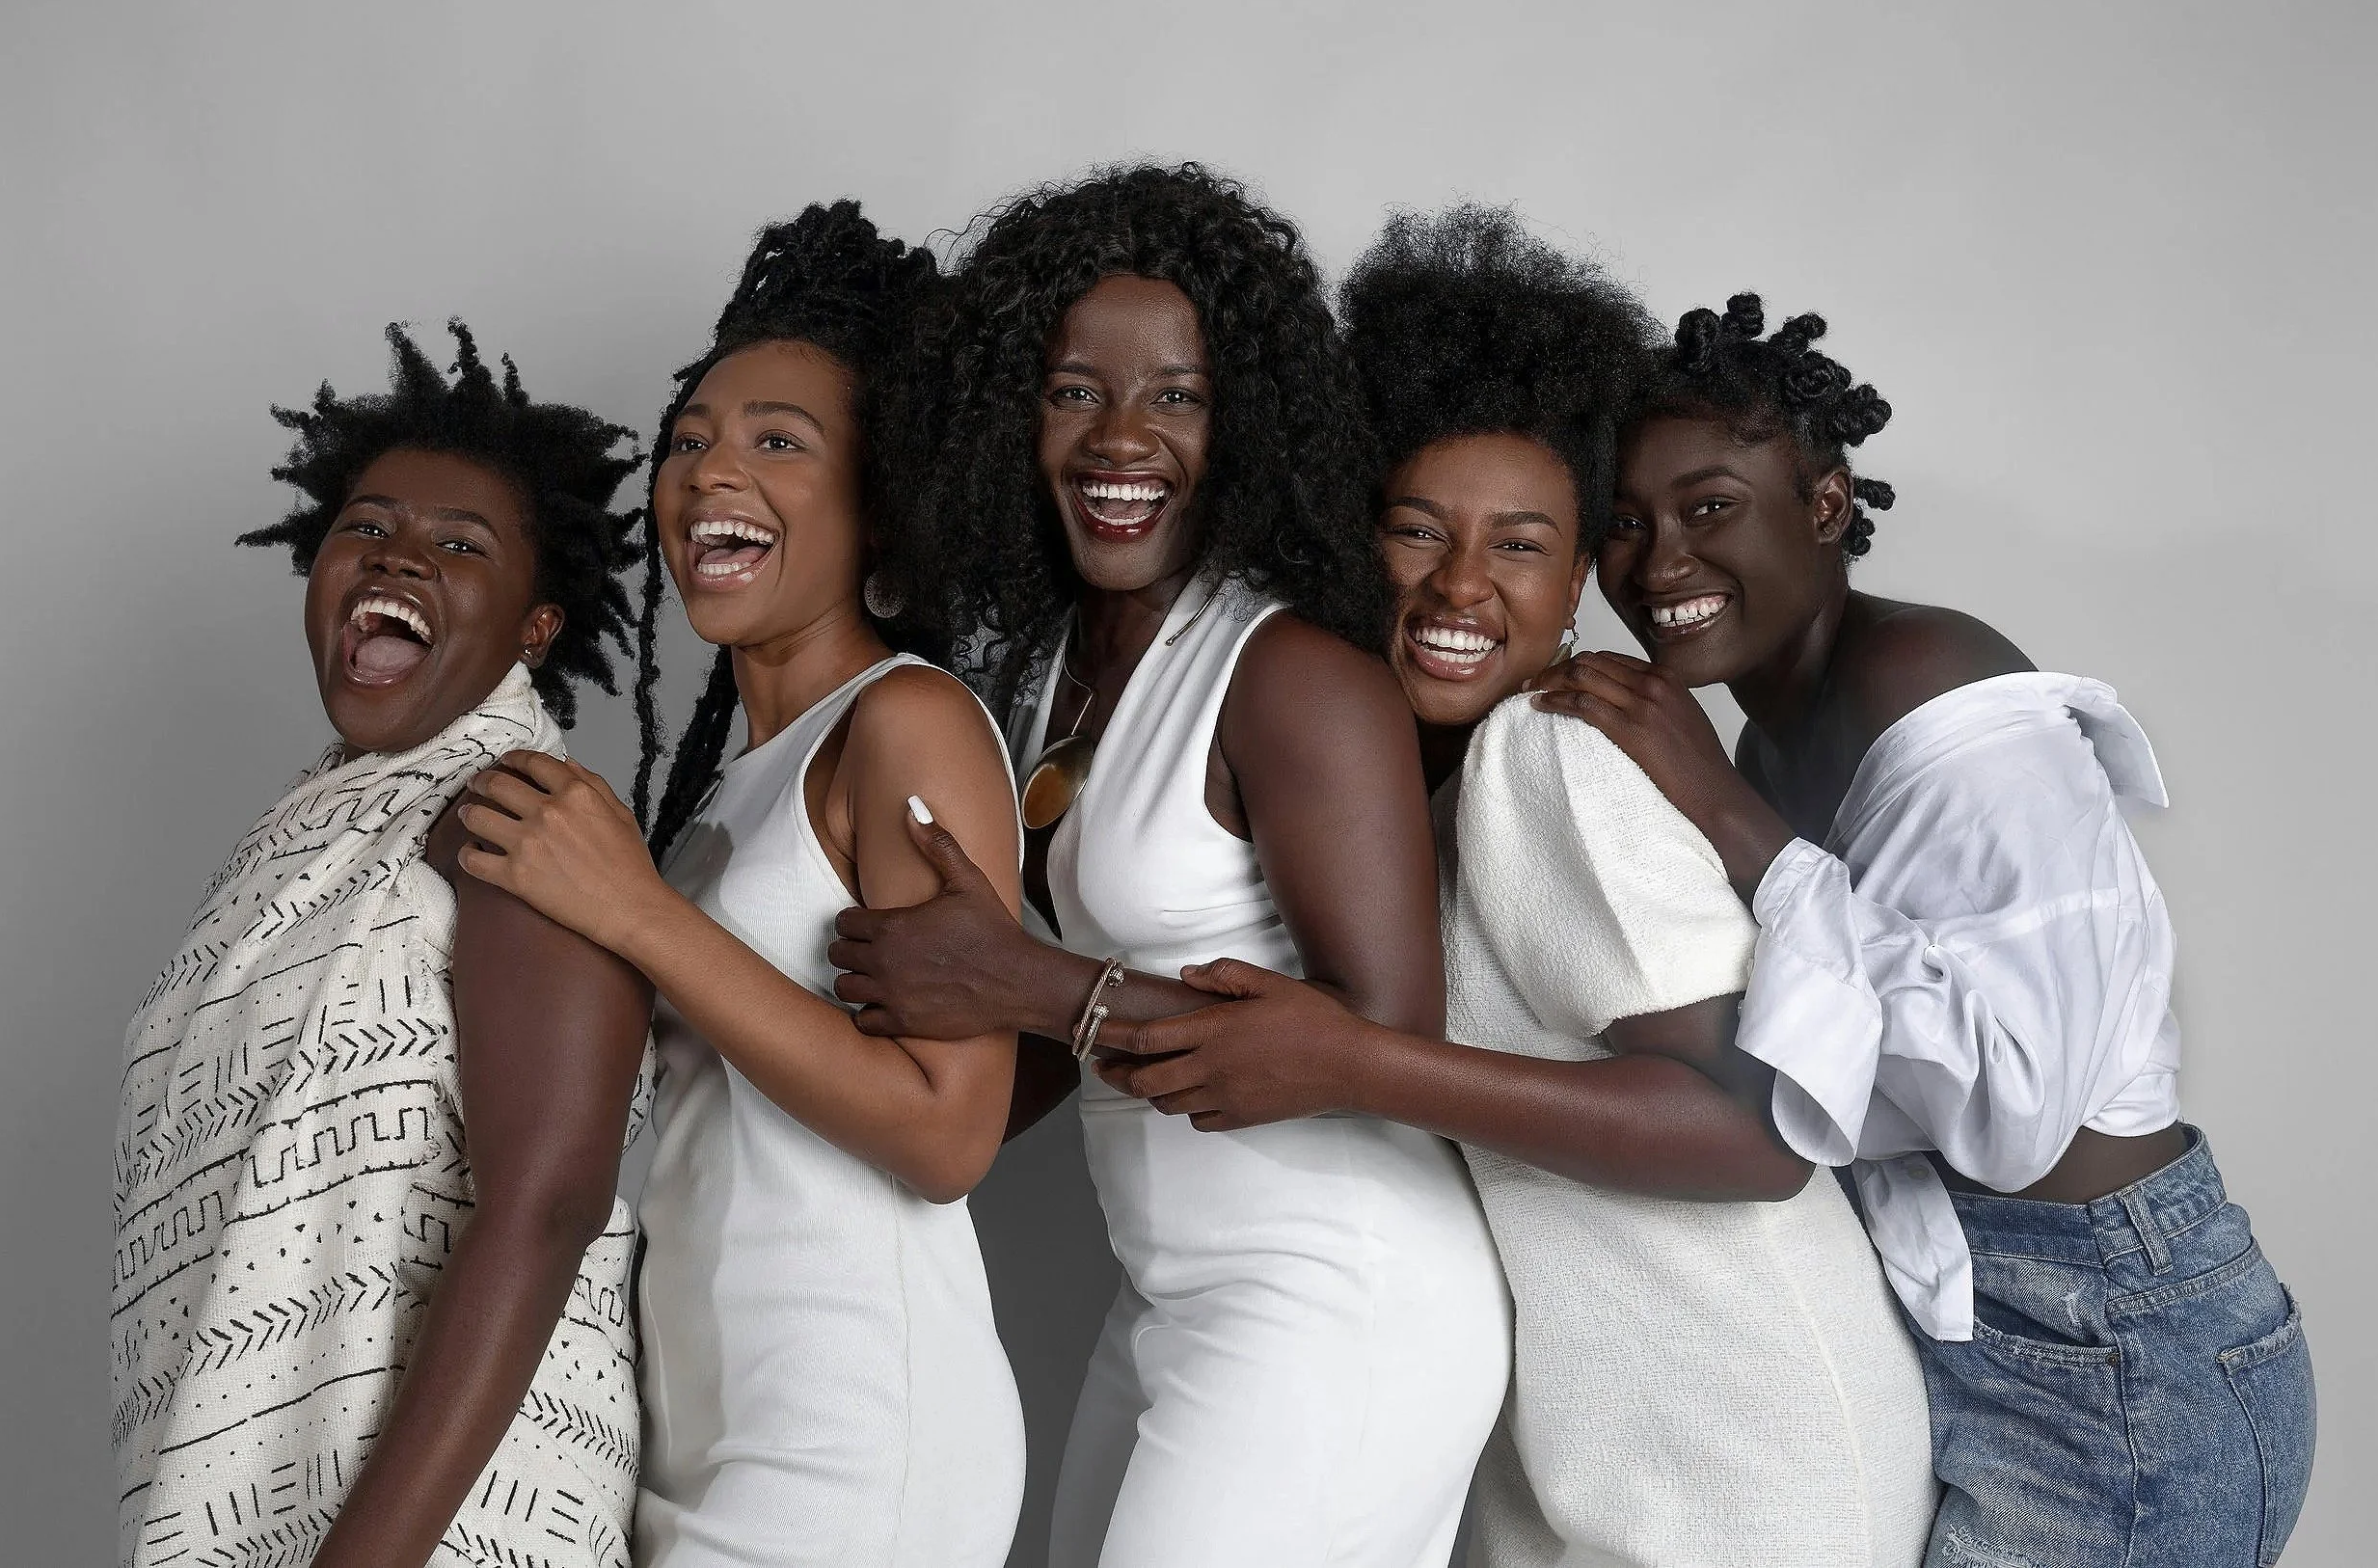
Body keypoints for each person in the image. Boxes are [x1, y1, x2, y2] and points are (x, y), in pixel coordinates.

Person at [1094, 207, 1937, 1567]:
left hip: (1748, 1455)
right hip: (1592, 1452)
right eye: (1416, 530)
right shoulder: (1406, 786)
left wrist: (1360, 1062)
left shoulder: (1551, 758)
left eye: (1521, 545)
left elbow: (1755, 1134)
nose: (1460, 586)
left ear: (1574, 589)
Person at [1533, 293, 2317, 1568]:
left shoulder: (1934, 694)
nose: (1658, 562)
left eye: (1709, 506)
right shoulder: (1774, 727)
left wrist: (1732, 819)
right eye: (1622, 524)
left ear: (1826, 506)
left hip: (2112, 1360)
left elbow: (2012, 1105)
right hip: (2009, 1335)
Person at [827, 165, 1509, 1568]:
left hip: (1337, 1296)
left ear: (1246, 425)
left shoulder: (1290, 678)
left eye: (1177, 397)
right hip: (1171, 1293)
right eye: (1075, 391)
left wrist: (1025, 978)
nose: (1118, 438)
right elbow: (1016, 1033)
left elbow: (1386, 1043)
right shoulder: (1048, 680)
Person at [453, 203, 1026, 1568]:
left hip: (848, 1425)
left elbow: (949, 1134)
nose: (714, 472)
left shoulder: (909, 721)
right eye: (694, 438)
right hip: (702, 1420)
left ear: (881, 503)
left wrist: (637, 915)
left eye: (779, 441)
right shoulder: (724, 789)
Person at [112, 322, 654, 1568]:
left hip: (434, 1529)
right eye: (365, 527)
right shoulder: (308, 832)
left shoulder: (517, 812)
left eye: (460, 545)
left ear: (535, 625)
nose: (395, 557)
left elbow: (549, 1198)